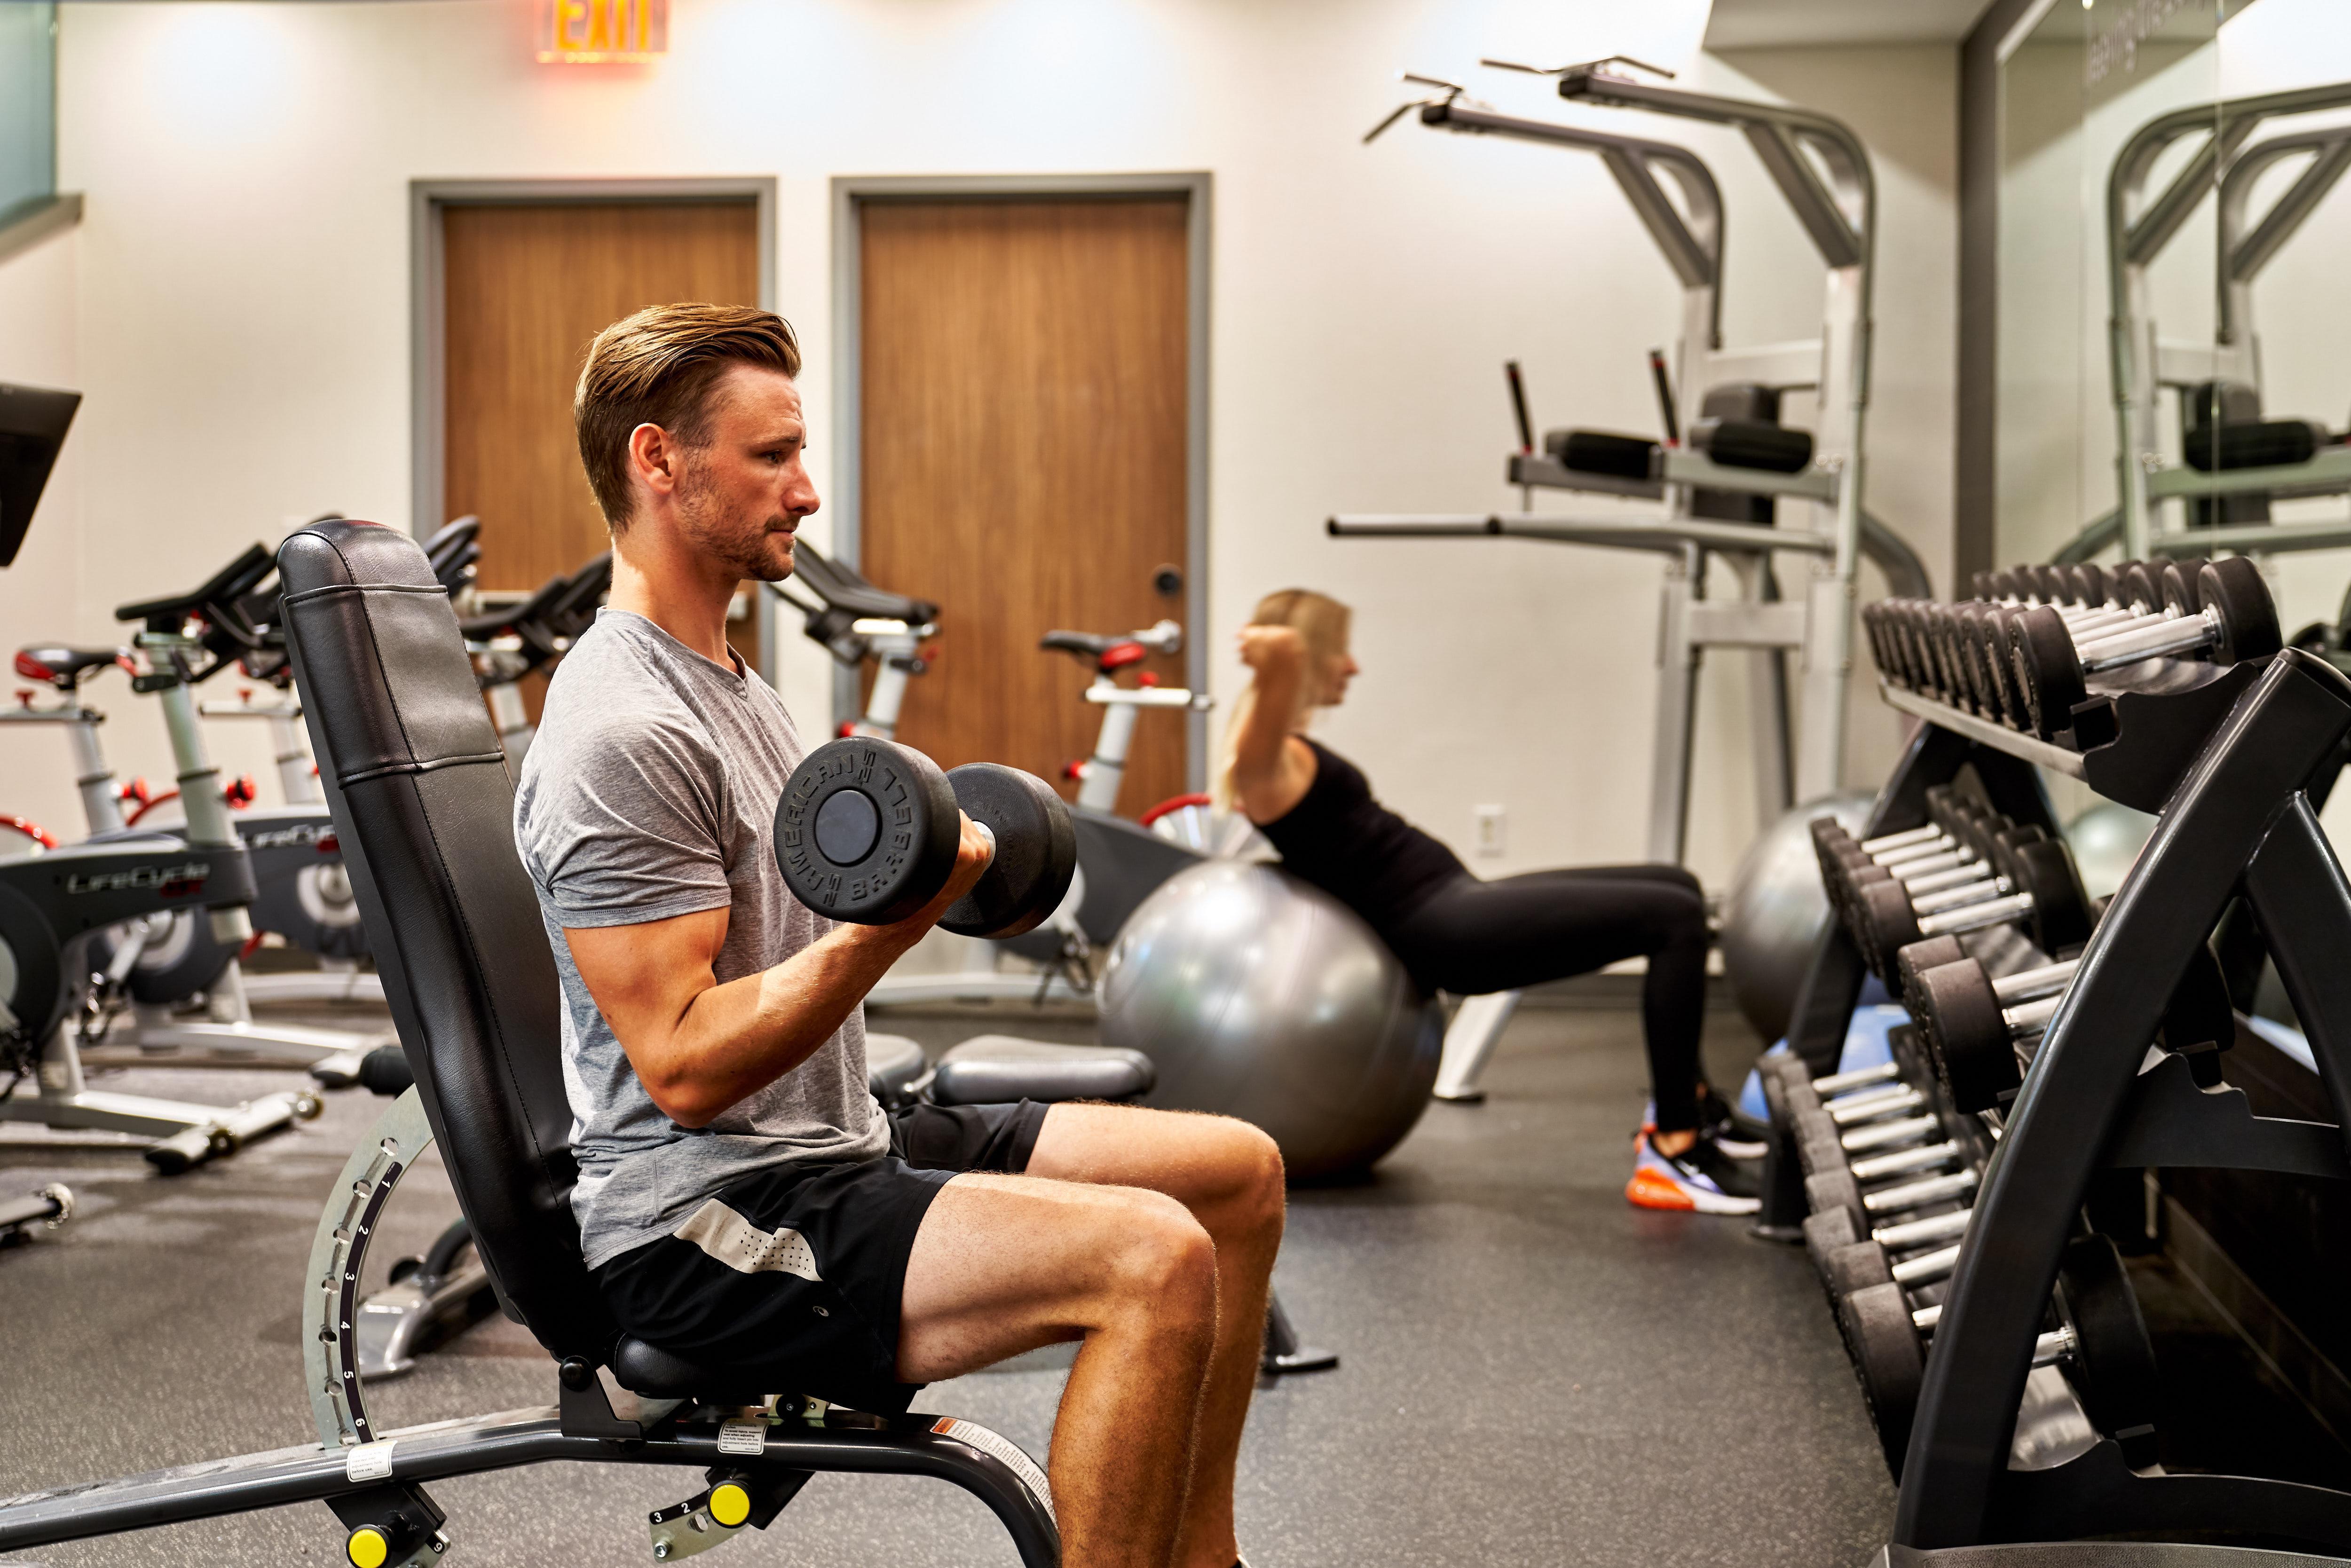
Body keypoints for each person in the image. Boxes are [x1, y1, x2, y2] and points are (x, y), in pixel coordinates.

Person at [513, 302, 1285, 1568]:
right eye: (772, 457)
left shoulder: (734, 688)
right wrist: (895, 926)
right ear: (657, 460)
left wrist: (940, 869)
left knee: (1237, 1174)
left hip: (832, 1138)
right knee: (1151, 1261)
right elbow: (685, 1065)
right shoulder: (619, 728)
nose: (807, 492)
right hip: (706, 1216)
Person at [1224, 588, 1760, 1215]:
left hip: (1457, 899)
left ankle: (1691, 1100)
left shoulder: (1288, 752)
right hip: (1444, 932)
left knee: (1677, 885)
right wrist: (1278, 651)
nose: (1352, 666)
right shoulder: (1263, 769)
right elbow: (1274, 675)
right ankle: (1675, 1145)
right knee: (1674, 922)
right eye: (1338, 650)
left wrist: (1287, 653)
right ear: (1305, 657)